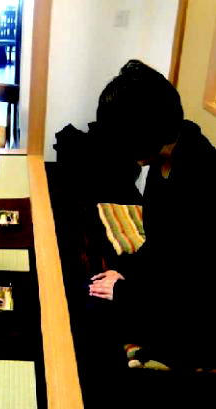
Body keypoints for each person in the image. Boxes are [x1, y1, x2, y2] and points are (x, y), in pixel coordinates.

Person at [87, 60, 216, 368]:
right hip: (172, 283)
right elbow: (160, 245)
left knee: (95, 324)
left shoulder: (203, 180)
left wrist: (125, 291)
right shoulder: (167, 156)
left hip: (198, 308)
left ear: (144, 133)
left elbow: (190, 283)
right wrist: (127, 274)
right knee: (96, 286)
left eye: (121, 140)